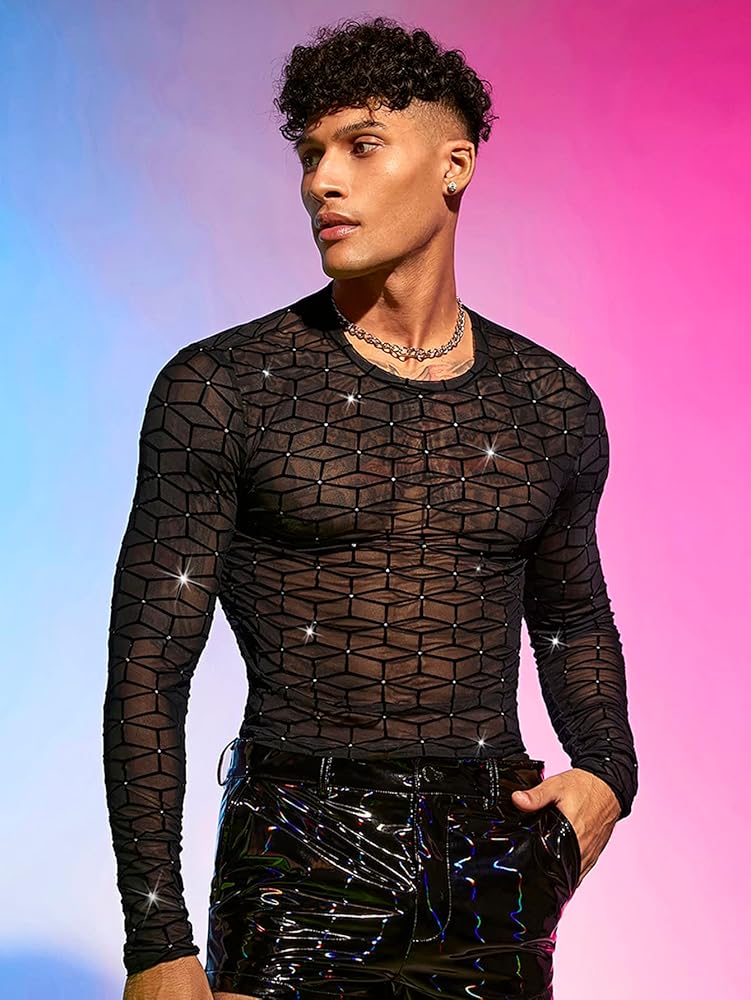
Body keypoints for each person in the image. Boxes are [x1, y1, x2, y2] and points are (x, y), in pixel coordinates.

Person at [103, 15, 638, 1000]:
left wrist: (609, 773)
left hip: (495, 851)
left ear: (453, 166)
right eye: (309, 155)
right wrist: (155, 939)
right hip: (297, 851)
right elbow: (147, 668)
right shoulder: (222, 387)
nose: (321, 181)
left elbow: (570, 616)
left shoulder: (551, 402)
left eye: (359, 146)